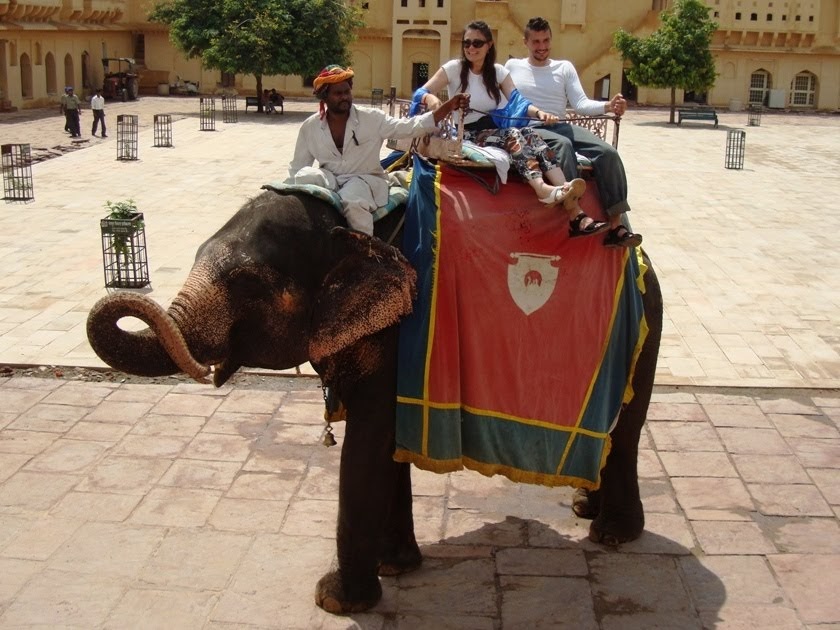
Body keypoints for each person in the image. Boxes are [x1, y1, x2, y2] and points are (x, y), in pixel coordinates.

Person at [419, 20, 607, 238]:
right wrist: (431, 99)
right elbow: (421, 92)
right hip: (467, 132)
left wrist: (539, 114)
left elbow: (519, 102)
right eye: (467, 43)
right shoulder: (454, 69)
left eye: (477, 43)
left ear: (489, 45)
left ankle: (566, 193)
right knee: (513, 134)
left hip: (493, 128)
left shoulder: (498, 72)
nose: (471, 48)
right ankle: (541, 189)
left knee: (531, 134)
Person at [505, 17, 642, 248]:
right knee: (563, 145)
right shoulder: (512, 67)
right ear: (525, 42)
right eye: (536, 41)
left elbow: (580, 104)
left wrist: (608, 106)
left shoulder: (564, 67)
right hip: (530, 129)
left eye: (546, 40)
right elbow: (504, 100)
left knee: (608, 153)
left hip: (560, 124)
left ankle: (616, 226)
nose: (542, 46)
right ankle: (576, 215)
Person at [288, 64, 469, 236]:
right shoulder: (310, 127)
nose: (344, 97)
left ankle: (364, 250)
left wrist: (447, 107)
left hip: (364, 179)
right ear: (324, 97)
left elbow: (410, 126)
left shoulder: (372, 118)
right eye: (338, 93)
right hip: (331, 179)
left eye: (347, 91)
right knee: (303, 177)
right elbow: (297, 167)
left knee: (353, 202)